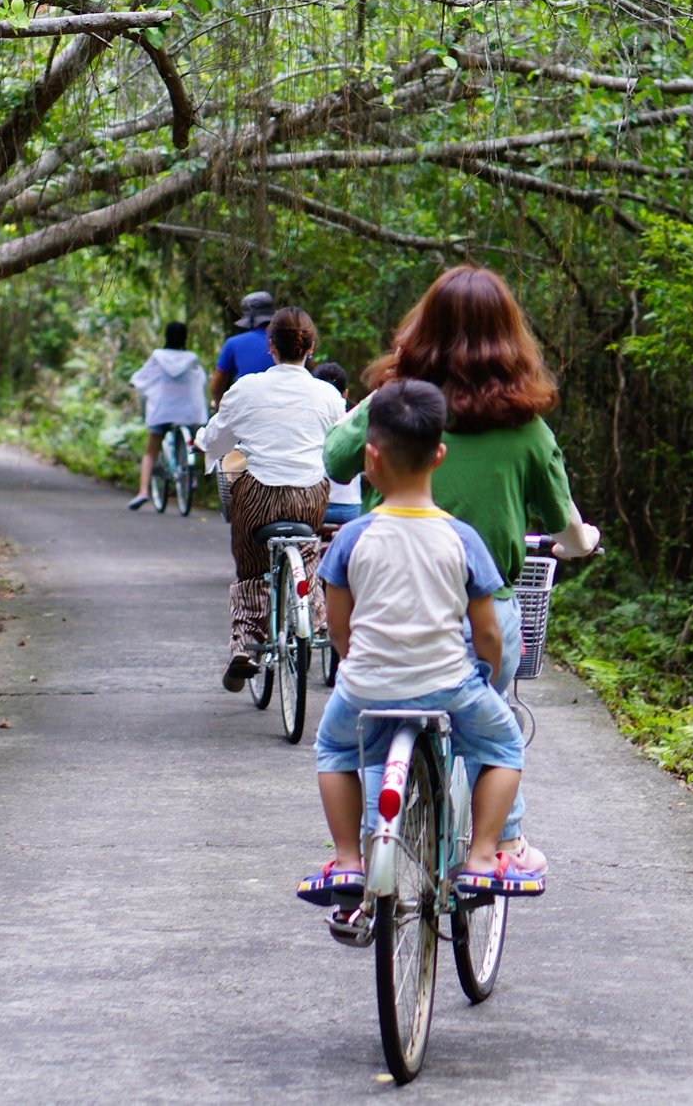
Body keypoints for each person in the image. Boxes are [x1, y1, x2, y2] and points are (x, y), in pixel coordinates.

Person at [322, 265, 599, 858]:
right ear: (509, 338)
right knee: (493, 717)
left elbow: (336, 461)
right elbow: (561, 523)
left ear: (422, 328)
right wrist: (582, 541)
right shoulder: (527, 427)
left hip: (383, 608)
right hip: (479, 617)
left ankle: (371, 849)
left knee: (368, 730)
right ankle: (502, 845)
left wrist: (378, 400)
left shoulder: (393, 407)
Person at [297, 380, 546, 910]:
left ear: (370, 457)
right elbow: (486, 634)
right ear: (439, 455)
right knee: (503, 745)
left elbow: (341, 630)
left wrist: (357, 666)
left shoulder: (350, 539)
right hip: (447, 686)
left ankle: (347, 861)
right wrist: (486, 669)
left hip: (366, 687)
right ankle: (481, 858)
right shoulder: (462, 539)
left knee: (335, 749)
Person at [200, 306, 345, 691]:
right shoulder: (328, 395)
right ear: (311, 347)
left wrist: (204, 442)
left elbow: (216, 440)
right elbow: (342, 443)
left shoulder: (247, 389)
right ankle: (313, 613)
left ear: (271, 347)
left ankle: (247, 641)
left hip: (258, 496)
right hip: (309, 497)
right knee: (308, 552)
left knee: (250, 568)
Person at [127, 322, 208, 510]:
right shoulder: (191, 358)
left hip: (162, 411)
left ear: (167, 336)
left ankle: (143, 492)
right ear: (185, 338)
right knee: (193, 441)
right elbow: (200, 379)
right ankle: (190, 474)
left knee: (151, 451)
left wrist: (135, 383)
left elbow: (141, 377)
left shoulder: (158, 356)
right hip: (187, 412)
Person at [312, 362, 363, 526]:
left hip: (310, 505)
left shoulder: (305, 419)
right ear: (346, 393)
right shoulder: (356, 417)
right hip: (348, 507)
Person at [209, 289, 277, 407]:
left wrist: (222, 409)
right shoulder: (291, 341)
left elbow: (216, 387)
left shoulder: (233, 343)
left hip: (247, 409)